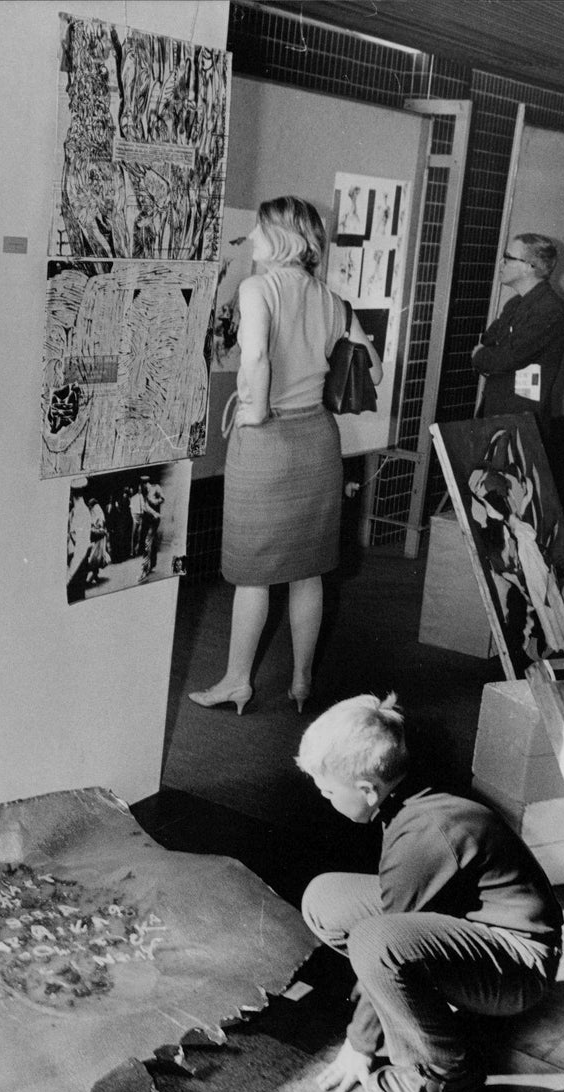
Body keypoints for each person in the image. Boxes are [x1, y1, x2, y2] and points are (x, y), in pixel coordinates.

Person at [296, 692, 563, 1092]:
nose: (326, 800)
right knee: (325, 897)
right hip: (481, 928)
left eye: (329, 792)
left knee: (375, 944)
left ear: (368, 790)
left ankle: (445, 1073)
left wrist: (360, 1044)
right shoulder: (412, 794)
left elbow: (384, 934)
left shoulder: (423, 835)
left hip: (520, 966)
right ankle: (408, 998)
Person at [188, 196, 383, 716]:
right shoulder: (333, 300)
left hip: (267, 445)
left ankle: (237, 681)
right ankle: (300, 682)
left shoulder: (257, 288)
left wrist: (253, 412)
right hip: (317, 442)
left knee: (253, 573)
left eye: (258, 230)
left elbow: (253, 356)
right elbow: (375, 372)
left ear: (281, 238)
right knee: (308, 571)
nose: (252, 238)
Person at [472, 233, 564, 443]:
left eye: (508, 257)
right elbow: (489, 341)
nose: (501, 263)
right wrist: (487, 353)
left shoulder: (550, 310)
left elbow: (500, 359)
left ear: (529, 267)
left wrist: (483, 355)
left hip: (520, 424)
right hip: (496, 413)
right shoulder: (515, 304)